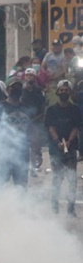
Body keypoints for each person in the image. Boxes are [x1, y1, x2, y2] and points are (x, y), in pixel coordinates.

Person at [45, 80, 81, 214]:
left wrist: (70, 141)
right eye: (61, 90)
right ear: (58, 92)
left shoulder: (75, 109)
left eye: (66, 90)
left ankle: (70, 208)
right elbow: (51, 127)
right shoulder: (51, 109)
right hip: (56, 148)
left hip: (71, 148)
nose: (64, 92)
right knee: (57, 177)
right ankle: (54, 206)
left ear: (70, 92)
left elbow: (76, 127)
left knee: (72, 178)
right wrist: (57, 142)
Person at [0, 78, 31, 187]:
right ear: (8, 90)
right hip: (4, 152)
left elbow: (31, 130)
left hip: (22, 153)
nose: (17, 90)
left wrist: (35, 150)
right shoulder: (0, 107)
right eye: (14, 87)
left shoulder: (26, 108)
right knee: (0, 185)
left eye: (19, 87)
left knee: (21, 186)